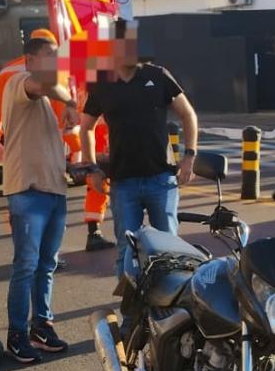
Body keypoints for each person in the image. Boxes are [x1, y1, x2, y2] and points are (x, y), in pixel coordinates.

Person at [0, 30, 115, 252]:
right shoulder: (60, 71)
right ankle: (92, 231)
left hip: (29, 142)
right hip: (63, 137)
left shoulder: (9, 71)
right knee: (88, 175)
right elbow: (66, 97)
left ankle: (27, 244)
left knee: (24, 194)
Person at [81, 21, 199, 257]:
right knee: (128, 250)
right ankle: (132, 295)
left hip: (161, 179)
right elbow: (86, 128)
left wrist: (189, 156)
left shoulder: (157, 75)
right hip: (123, 182)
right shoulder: (101, 84)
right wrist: (91, 167)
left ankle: (168, 294)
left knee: (168, 249)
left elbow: (188, 114)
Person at [0, 34, 75, 363]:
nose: (54, 61)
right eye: (49, 55)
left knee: (46, 266)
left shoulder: (45, 100)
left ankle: (40, 325)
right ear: (30, 60)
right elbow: (46, 82)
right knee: (26, 266)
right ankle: (16, 333)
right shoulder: (19, 82)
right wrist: (71, 102)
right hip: (28, 192)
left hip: (54, 190)